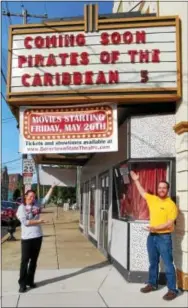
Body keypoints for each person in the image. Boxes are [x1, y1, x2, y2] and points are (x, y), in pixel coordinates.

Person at [130, 170, 178, 301]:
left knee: (168, 264)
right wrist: (136, 180)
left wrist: (155, 227)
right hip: (152, 237)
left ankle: (172, 290)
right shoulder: (154, 200)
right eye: (160, 187)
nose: (161, 189)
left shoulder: (171, 205)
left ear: (167, 190)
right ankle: (152, 284)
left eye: (164, 188)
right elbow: (142, 193)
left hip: (164, 237)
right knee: (153, 262)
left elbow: (169, 224)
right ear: (157, 189)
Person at [16, 183, 56, 293]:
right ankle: (22, 283)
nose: (32, 198)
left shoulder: (37, 204)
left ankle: (30, 281)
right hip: (27, 239)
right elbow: (25, 222)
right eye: (30, 196)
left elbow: (46, 199)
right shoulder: (21, 208)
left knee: (34, 261)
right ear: (25, 197)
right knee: (24, 261)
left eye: (33, 197)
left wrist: (52, 188)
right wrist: (39, 221)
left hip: (38, 237)